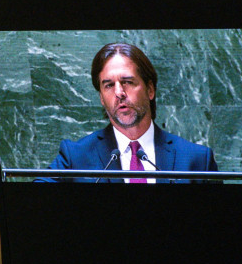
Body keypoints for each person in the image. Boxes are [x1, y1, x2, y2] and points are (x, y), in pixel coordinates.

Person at [42, 42, 217, 183]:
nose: (119, 92)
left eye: (127, 82)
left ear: (150, 89)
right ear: (102, 98)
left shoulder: (197, 159)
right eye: (109, 85)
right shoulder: (75, 156)